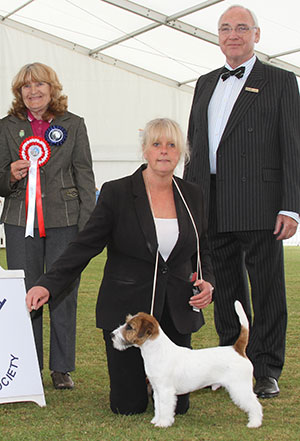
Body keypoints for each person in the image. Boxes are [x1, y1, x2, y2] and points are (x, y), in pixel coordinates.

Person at [26, 118, 215, 415]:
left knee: (178, 409)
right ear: (144, 150)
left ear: (182, 153)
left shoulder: (193, 194)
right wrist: (47, 284)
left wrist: (207, 281)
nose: (164, 151)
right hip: (127, 310)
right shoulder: (117, 192)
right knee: (129, 406)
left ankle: (158, 384)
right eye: (156, 144)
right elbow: (84, 245)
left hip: (175, 312)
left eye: (171, 145)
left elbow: (203, 248)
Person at [184, 5, 300, 399]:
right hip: (209, 201)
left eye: (241, 28)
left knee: (267, 289)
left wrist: (291, 206)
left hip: (260, 202)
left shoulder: (281, 81)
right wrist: (187, 198)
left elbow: (292, 147)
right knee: (225, 287)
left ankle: (266, 369)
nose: (233, 34)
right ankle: (232, 365)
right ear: (218, 36)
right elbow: (194, 146)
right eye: (225, 28)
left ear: (257, 35)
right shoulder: (203, 83)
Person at [0, 62, 96, 389]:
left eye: (40, 84)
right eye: (26, 86)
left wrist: (87, 227)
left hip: (65, 220)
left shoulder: (75, 124)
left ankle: (61, 368)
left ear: (52, 88)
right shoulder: (6, 127)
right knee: (25, 293)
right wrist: (9, 174)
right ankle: (29, 364)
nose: (33, 91)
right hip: (18, 220)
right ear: (19, 93)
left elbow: (85, 177)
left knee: (63, 292)